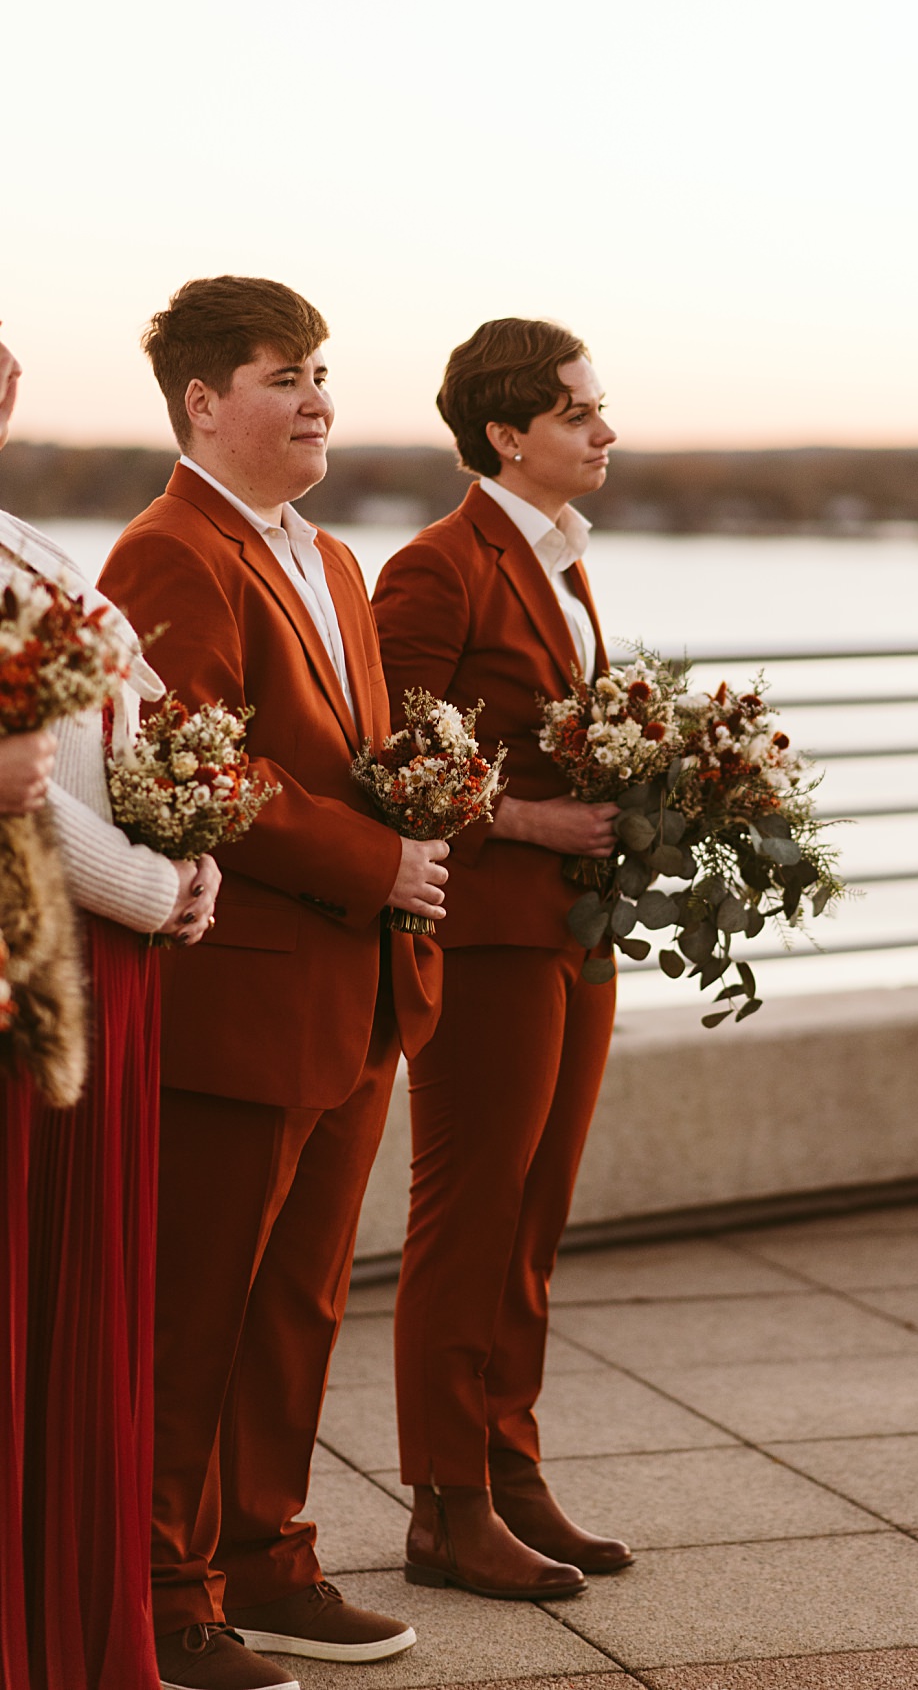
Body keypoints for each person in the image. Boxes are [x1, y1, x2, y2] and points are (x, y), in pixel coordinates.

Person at [99, 277, 446, 1690]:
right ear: (201, 402)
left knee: (300, 1299)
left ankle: (267, 1554)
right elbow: (198, 770)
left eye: (322, 372)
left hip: (354, 998)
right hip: (238, 1003)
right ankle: (167, 1589)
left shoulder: (336, 561)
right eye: (285, 374)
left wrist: (430, 806)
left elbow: (342, 749)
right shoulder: (166, 552)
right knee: (200, 1306)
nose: (319, 398)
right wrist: (379, 860)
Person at [372, 317, 632, 1601]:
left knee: (534, 1221)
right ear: (505, 434)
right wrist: (527, 819)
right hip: (479, 937)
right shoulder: (436, 569)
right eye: (581, 411)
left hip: (574, 934)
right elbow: (392, 766)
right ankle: (444, 1504)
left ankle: (511, 1469)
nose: (605, 429)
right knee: (467, 1218)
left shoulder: (564, 560)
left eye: (600, 407)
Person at [0, 327, 221, 1690]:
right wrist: (150, 883)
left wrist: (193, 842)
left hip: (108, 969)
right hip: (40, 963)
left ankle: (75, 1625)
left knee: (85, 1312)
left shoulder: (38, 548)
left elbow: (116, 725)